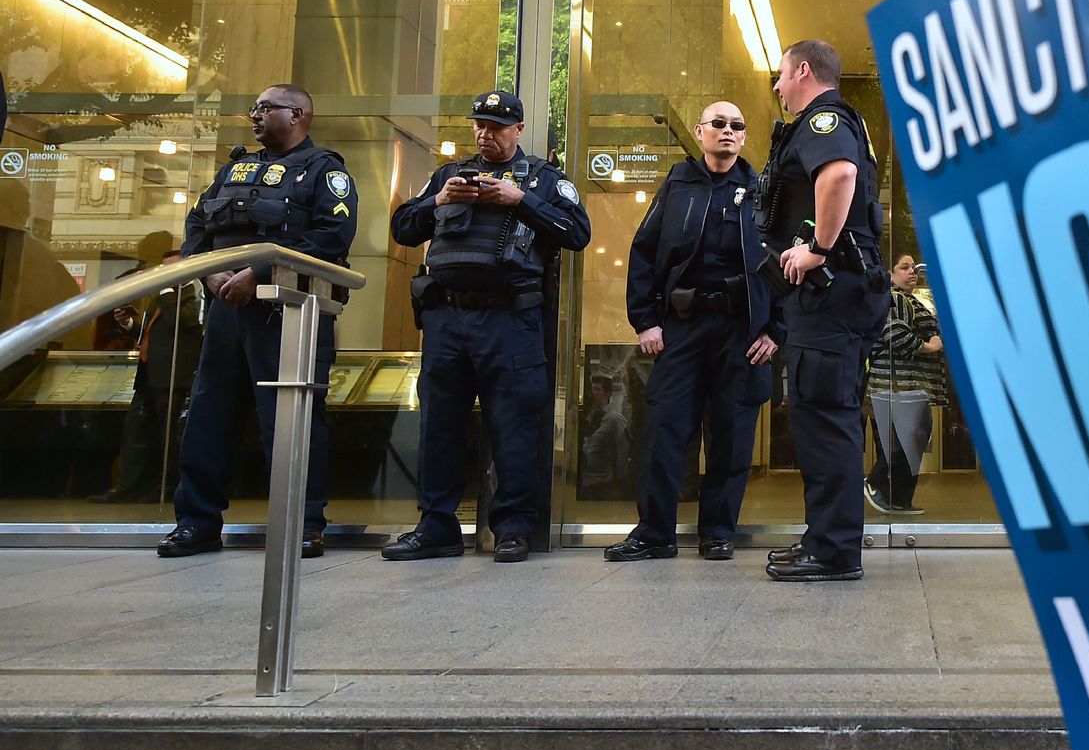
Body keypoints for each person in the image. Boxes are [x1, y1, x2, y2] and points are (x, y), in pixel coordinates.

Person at [384, 91, 590, 563]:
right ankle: (436, 526)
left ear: (518, 129)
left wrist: (521, 201)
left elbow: (577, 233)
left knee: (514, 423)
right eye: (479, 125)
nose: (485, 133)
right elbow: (402, 228)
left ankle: (514, 527)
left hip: (509, 319)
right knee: (439, 423)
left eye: (497, 126)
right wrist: (437, 200)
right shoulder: (447, 175)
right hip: (448, 318)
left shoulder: (542, 179)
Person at [160, 84, 357, 559]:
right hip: (227, 311)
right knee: (209, 417)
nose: (255, 114)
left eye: (265, 108)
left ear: (298, 114)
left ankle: (302, 524)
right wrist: (210, 272)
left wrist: (258, 273)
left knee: (292, 422)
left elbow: (331, 237)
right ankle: (197, 523)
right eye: (255, 107)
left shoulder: (324, 172)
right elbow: (196, 229)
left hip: (287, 313)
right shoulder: (233, 169)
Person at [605, 101, 781, 563]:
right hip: (682, 327)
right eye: (718, 124)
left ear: (743, 137)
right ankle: (654, 534)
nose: (727, 131)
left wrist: (776, 329)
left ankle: (717, 533)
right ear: (701, 132)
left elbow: (785, 264)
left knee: (731, 436)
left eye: (737, 126)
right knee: (665, 431)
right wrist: (646, 320)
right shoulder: (677, 184)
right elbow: (643, 252)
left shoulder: (763, 191)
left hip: (741, 331)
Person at [759, 40, 888, 582]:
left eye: (782, 76)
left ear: (804, 71)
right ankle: (823, 537)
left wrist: (818, 249)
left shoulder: (824, 121)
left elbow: (838, 176)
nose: (777, 88)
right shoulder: (836, 123)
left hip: (832, 297)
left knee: (828, 422)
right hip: (833, 300)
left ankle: (834, 551)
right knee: (816, 420)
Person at [93, 249, 202, 503]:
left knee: (169, 435)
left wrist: (166, 290)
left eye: (171, 269)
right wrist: (131, 324)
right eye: (163, 269)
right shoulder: (163, 297)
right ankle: (128, 486)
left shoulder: (193, 294)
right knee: (137, 431)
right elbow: (152, 331)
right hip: (149, 374)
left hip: (174, 377)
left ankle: (163, 487)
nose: (165, 274)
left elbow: (183, 323)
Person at [865, 253, 942, 515]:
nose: (912, 272)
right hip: (895, 383)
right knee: (903, 440)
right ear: (890, 275)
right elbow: (891, 332)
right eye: (904, 267)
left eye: (913, 268)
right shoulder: (892, 298)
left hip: (908, 383)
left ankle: (898, 499)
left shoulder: (911, 300)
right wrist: (928, 347)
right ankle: (878, 484)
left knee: (911, 440)